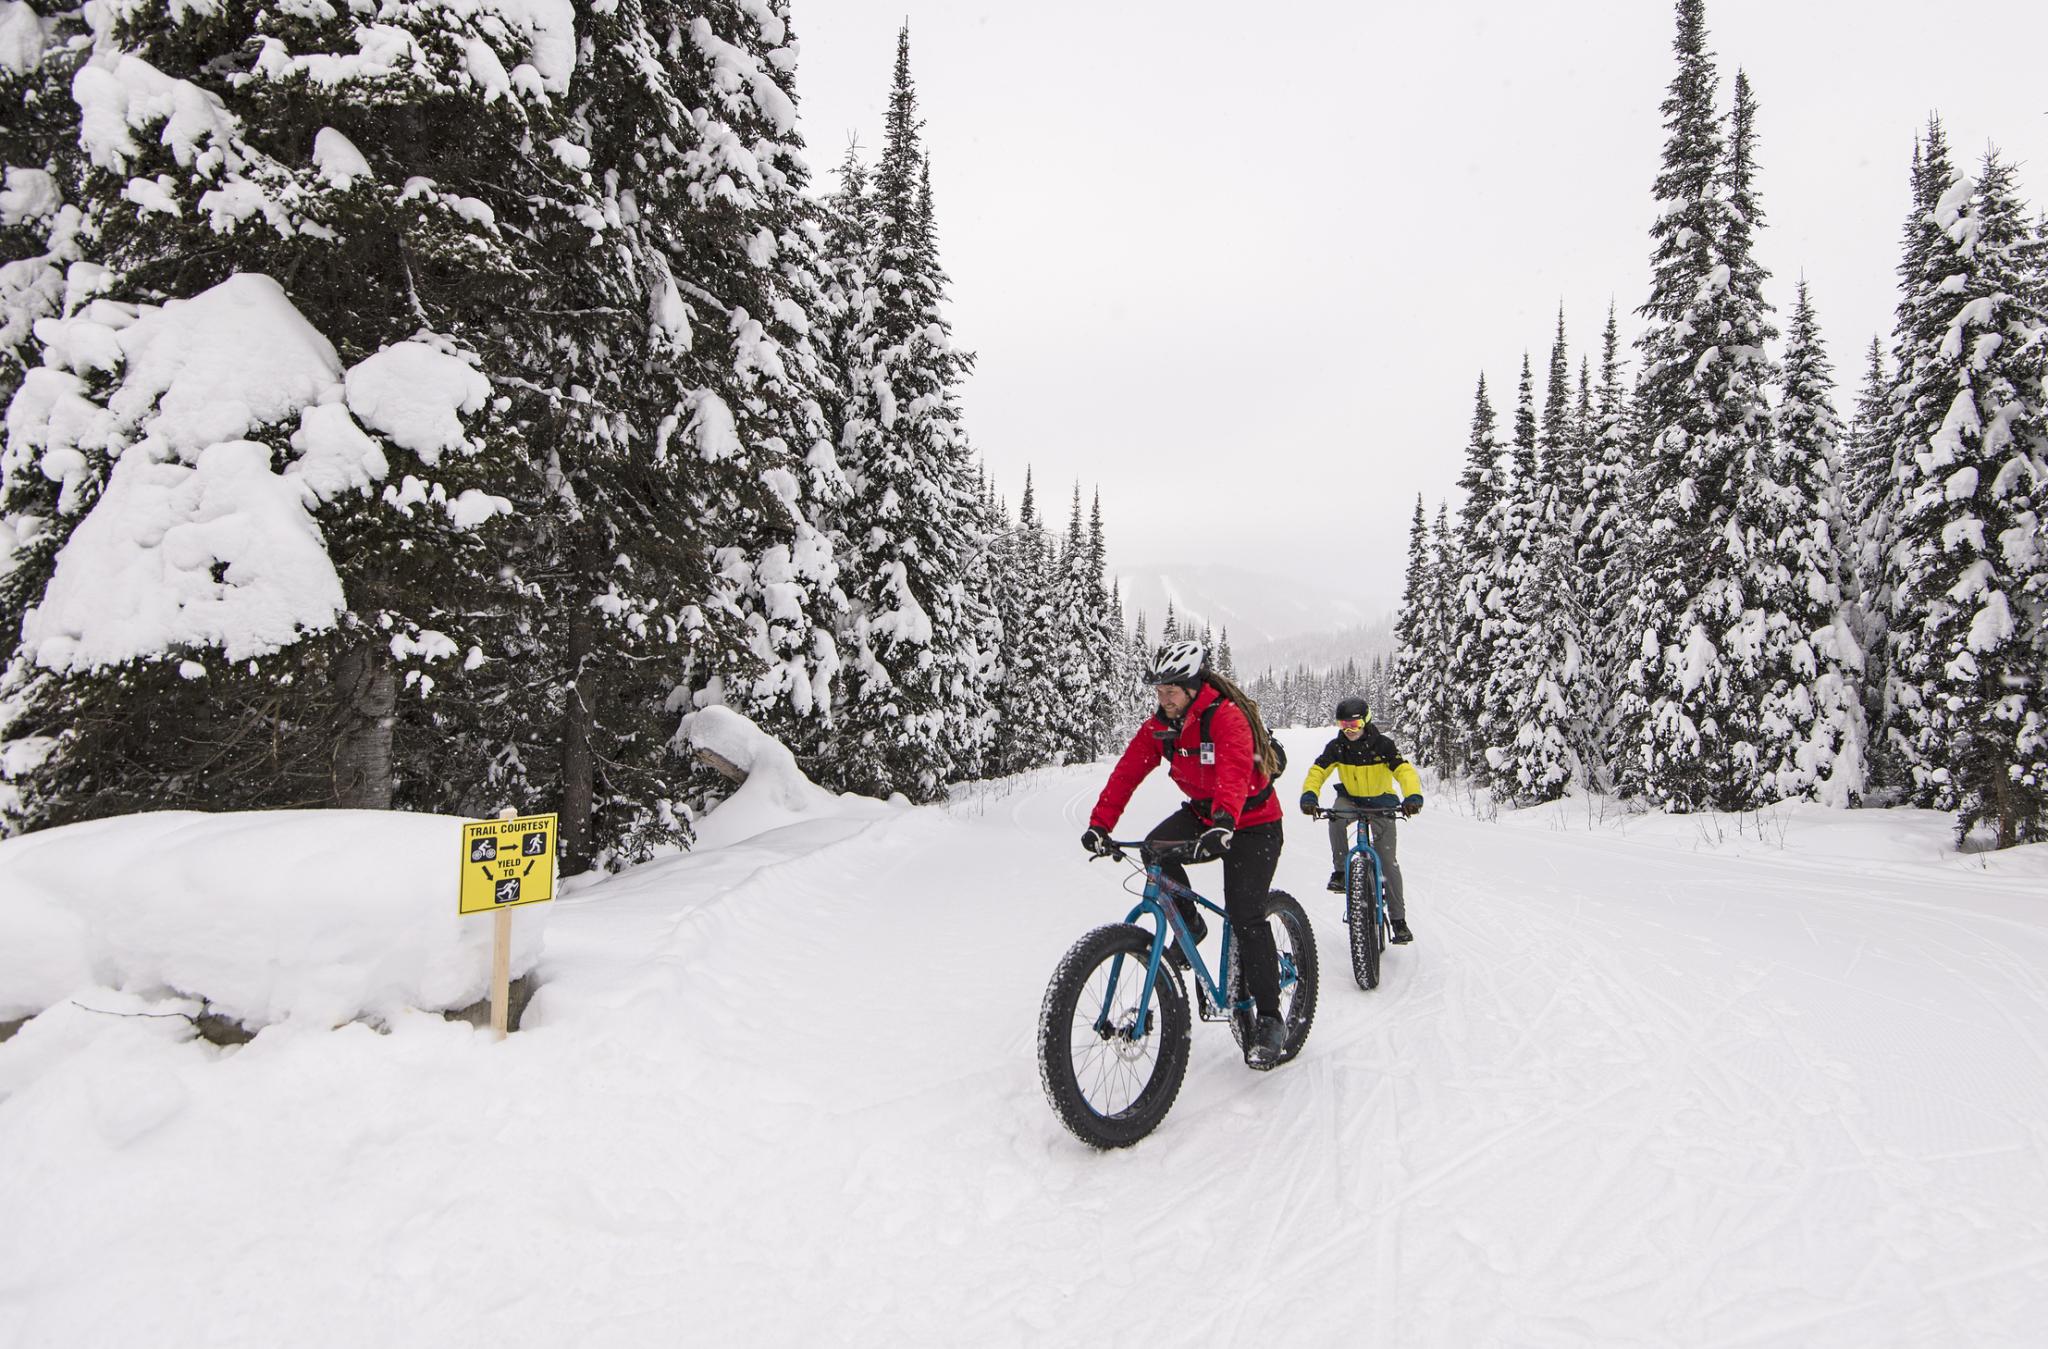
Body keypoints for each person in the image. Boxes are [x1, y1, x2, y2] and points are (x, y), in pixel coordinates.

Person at [1080, 639, 1292, 1069]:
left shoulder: (1226, 719)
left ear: (1194, 687)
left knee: (1245, 914)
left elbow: (1233, 772)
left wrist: (1224, 823)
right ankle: (1190, 926)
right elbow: (1126, 773)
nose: (1163, 699)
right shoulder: (1160, 728)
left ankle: (1270, 1018)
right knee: (1155, 851)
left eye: (1170, 691)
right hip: (1204, 815)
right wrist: (1100, 824)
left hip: (1253, 824)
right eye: (1158, 691)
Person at [1298, 697, 1423, 943]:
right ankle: (1341, 871)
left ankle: (1398, 921)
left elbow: (1403, 771)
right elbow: (1318, 771)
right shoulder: (1337, 747)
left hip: (1382, 802)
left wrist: (1412, 796)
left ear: (1365, 721)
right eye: (1344, 725)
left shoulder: (1383, 745)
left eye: (1354, 725)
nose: (1349, 730)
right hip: (1351, 800)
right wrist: (1310, 795)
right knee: (1335, 819)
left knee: (1388, 862)